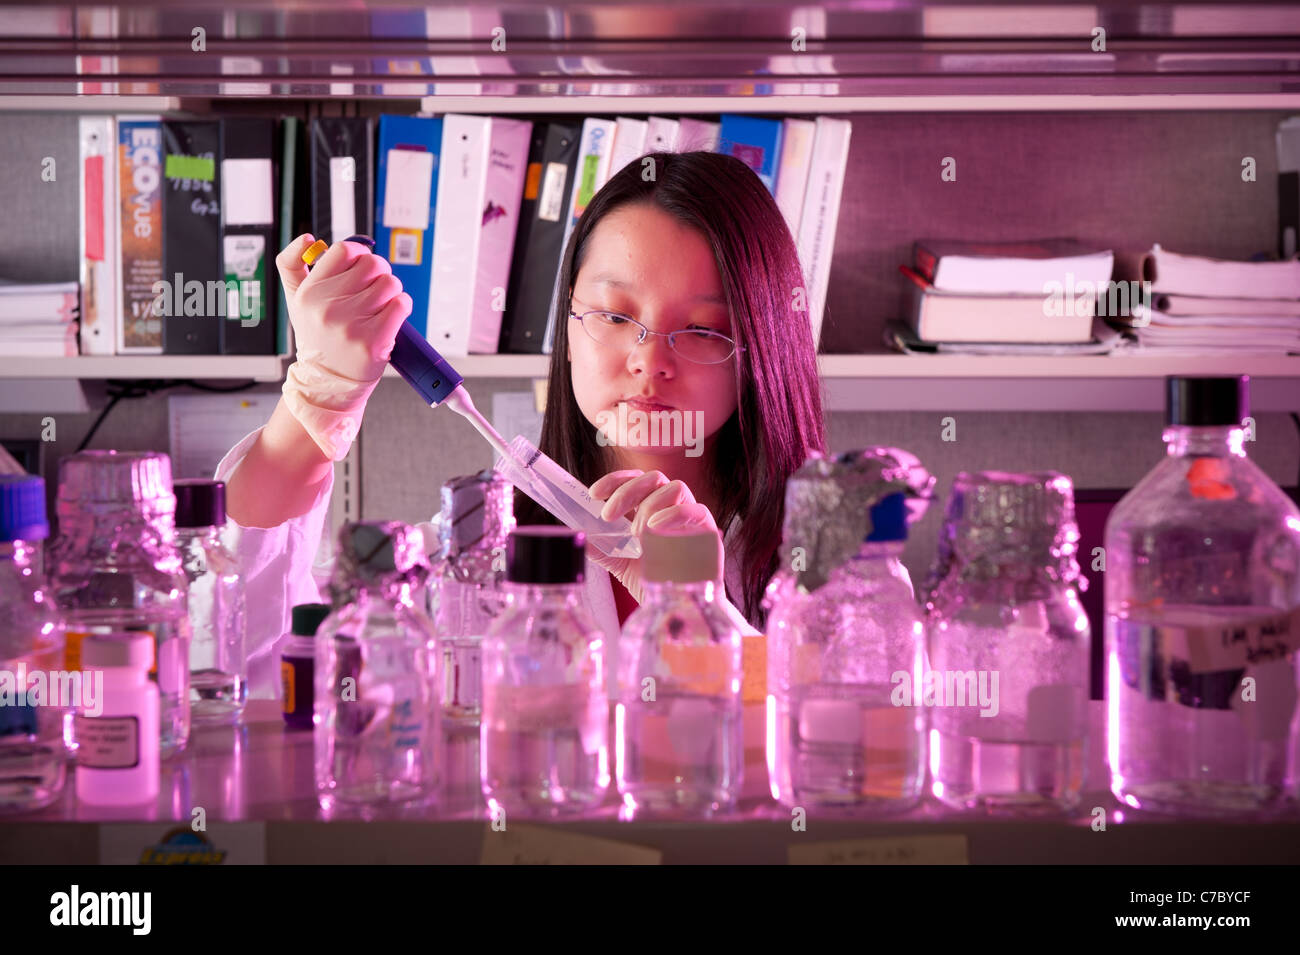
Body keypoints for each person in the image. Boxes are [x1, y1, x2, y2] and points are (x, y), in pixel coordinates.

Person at [219, 151, 826, 699]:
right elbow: (247, 670)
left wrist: (702, 613)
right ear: (566, 333)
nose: (648, 360)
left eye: (702, 329)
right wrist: (316, 404)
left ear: (764, 348)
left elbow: (837, 758)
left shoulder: (834, 572)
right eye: (615, 315)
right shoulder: (471, 558)